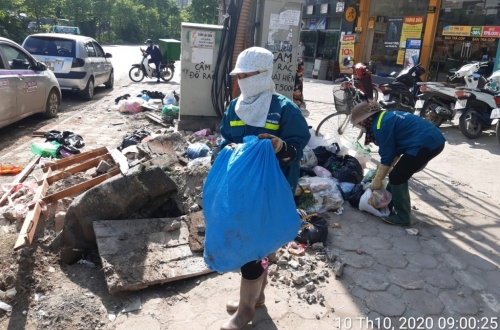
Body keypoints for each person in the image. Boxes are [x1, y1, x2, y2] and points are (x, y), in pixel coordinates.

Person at [218, 47, 310, 330]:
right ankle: (256, 297)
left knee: (253, 249)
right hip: (242, 189)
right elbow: (223, 141)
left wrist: (280, 146)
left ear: (263, 74)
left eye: (248, 75)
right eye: (240, 75)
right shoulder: (234, 107)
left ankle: (245, 311)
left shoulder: (284, 109)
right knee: (259, 247)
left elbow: (298, 148)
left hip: (273, 189)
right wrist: (227, 150)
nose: (242, 80)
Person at [350, 102, 446, 225]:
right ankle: (389, 203)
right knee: (397, 174)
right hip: (431, 139)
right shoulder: (383, 117)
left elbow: (387, 153)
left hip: (426, 144)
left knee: (397, 177)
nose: (361, 126)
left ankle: (403, 217)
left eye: (359, 123)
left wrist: (379, 178)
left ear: (366, 119)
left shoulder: (380, 126)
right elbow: (394, 150)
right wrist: (383, 171)